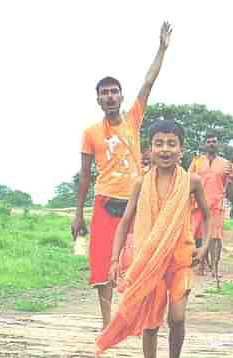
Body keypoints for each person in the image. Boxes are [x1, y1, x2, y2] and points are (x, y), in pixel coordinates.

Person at [96, 120, 211, 358]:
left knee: (178, 317)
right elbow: (124, 223)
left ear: (181, 149)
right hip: (149, 264)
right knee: (150, 322)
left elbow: (207, 217)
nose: (165, 149)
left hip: (180, 260)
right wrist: (114, 260)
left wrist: (204, 247)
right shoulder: (140, 183)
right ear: (150, 149)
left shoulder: (192, 181)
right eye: (159, 143)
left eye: (172, 143)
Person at [71, 22, 172, 330]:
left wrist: (162, 48)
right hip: (104, 202)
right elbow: (85, 177)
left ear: (121, 97)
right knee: (102, 264)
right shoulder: (90, 133)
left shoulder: (132, 121)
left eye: (114, 92)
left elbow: (148, 82)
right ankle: (107, 322)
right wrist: (78, 213)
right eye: (105, 93)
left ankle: (137, 316)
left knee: (138, 260)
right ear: (98, 99)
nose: (110, 97)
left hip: (135, 201)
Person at [189, 132, 233, 286]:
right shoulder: (196, 162)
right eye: (209, 141)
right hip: (197, 205)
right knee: (198, 237)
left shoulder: (226, 164)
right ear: (205, 144)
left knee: (215, 238)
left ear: (218, 144)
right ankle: (200, 265)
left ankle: (214, 267)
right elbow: (188, 182)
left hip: (217, 204)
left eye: (214, 141)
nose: (211, 144)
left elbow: (230, 185)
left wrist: (232, 203)